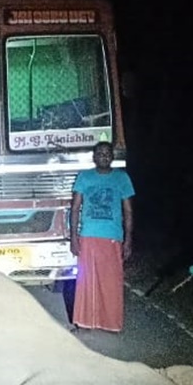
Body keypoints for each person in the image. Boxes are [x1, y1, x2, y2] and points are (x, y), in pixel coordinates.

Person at [68, 140, 134, 332]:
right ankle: (86, 321)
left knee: (111, 282)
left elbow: (128, 211)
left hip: (112, 236)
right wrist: (74, 237)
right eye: (100, 153)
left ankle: (110, 323)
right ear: (94, 157)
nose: (104, 156)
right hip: (88, 235)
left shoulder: (121, 178)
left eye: (107, 153)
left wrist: (128, 240)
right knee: (87, 281)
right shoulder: (85, 177)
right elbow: (75, 208)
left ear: (112, 157)